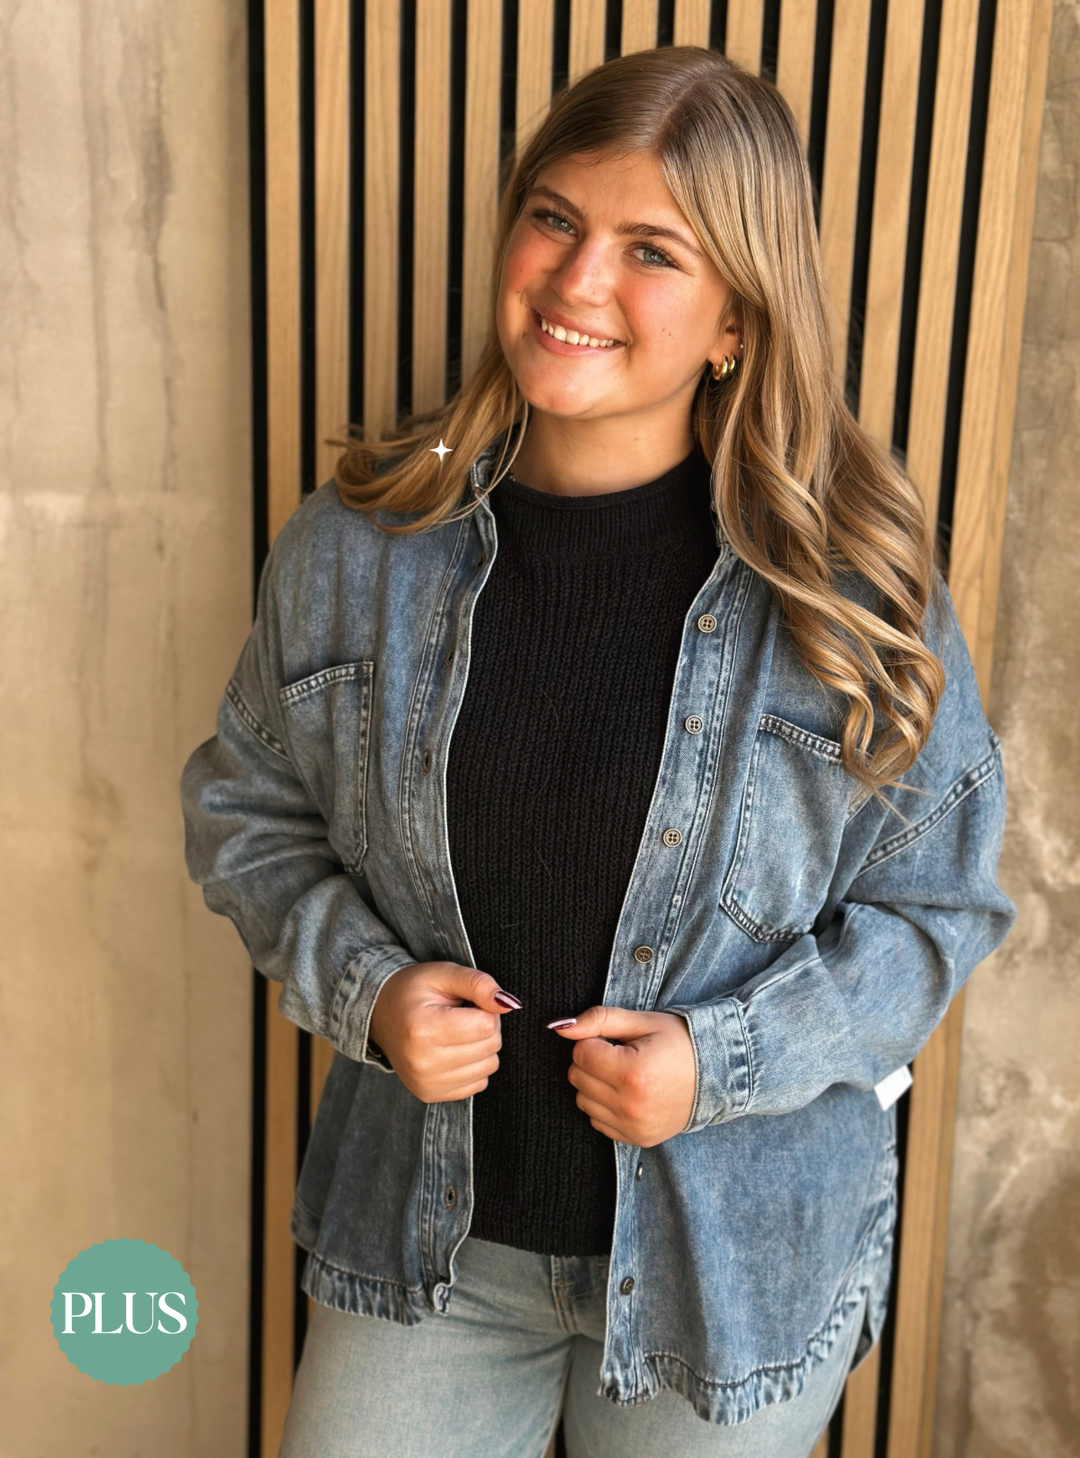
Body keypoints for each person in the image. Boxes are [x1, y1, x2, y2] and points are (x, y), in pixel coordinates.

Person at [180, 45, 1016, 1458]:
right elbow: (245, 816)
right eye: (554, 218)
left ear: (737, 319)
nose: (576, 282)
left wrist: (721, 1058)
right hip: (431, 1245)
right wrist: (371, 992)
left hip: (733, 1267)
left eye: (651, 251)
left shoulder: (850, 595)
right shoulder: (356, 548)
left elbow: (939, 912)